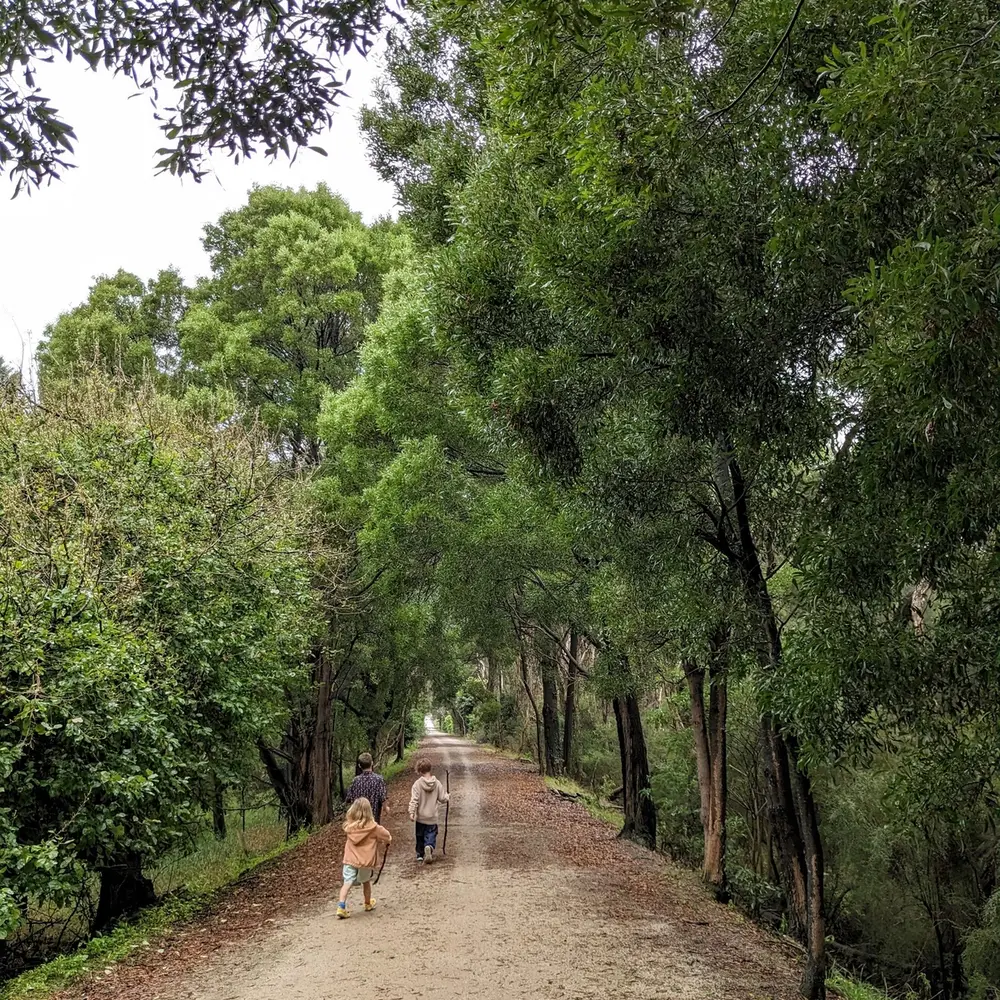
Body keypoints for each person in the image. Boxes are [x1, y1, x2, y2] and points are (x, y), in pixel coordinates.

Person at [338, 797, 391, 919]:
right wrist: (388, 841)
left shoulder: (350, 827)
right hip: (364, 862)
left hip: (350, 860)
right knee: (366, 882)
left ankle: (341, 906)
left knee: (347, 883)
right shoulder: (373, 827)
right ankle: (367, 903)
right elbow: (386, 835)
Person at [408, 758, 449, 865]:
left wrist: (412, 812)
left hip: (421, 816)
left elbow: (414, 800)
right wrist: (447, 796)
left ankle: (420, 855)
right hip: (432, 816)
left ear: (419, 771)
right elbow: (442, 798)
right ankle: (429, 847)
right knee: (431, 834)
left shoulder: (417, 784)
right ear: (430, 769)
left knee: (419, 835)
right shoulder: (437, 783)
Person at [345, 751, 389, 824]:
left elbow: (349, 799)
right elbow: (383, 798)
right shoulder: (379, 780)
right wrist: (386, 808)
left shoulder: (355, 781)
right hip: (373, 819)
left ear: (359, 766)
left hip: (358, 819)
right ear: (372, 763)